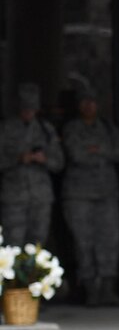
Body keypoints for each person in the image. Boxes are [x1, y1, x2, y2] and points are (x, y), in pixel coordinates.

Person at [61, 84, 119, 304]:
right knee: (84, 242)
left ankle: (108, 289)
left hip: (106, 192)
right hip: (79, 194)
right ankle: (90, 290)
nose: (89, 106)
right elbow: (76, 154)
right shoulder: (72, 128)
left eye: (92, 101)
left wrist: (96, 149)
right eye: (84, 102)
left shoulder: (108, 128)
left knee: (110, 240)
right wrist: (101, 151)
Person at [0, 83, 63, 247]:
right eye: (25, 109)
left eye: (31, 109)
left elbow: (59, 163)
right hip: (14, 197)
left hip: (40, 197)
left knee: (38, 244)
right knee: (13, 244)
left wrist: (44, 160)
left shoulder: (46, 130)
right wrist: (18, 158)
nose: (28, 113)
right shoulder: (6, 129)